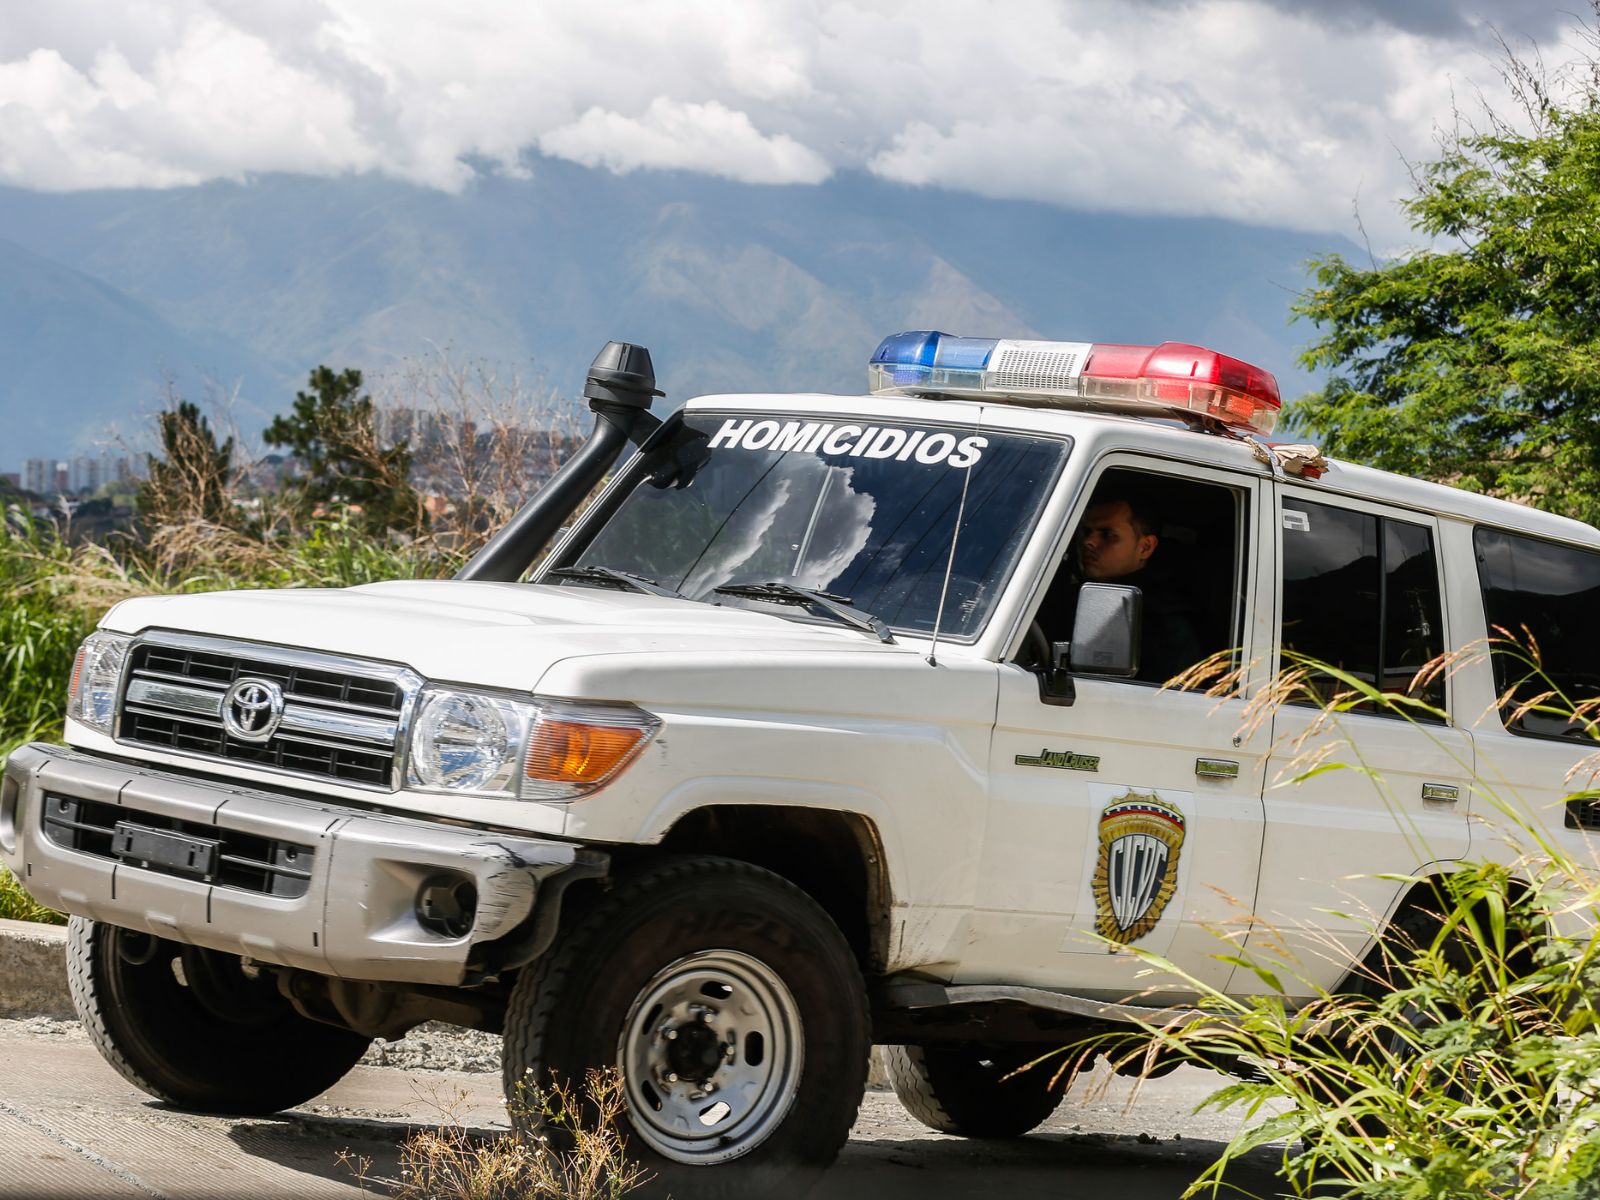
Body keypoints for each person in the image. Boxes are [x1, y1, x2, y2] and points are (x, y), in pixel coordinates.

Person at [1071, 493, 1206, 684]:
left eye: (1107, 534)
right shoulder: (1063, 596)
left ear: (1145, 547)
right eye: (1086, 532)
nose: (1088, 542)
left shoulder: (1165, 622)